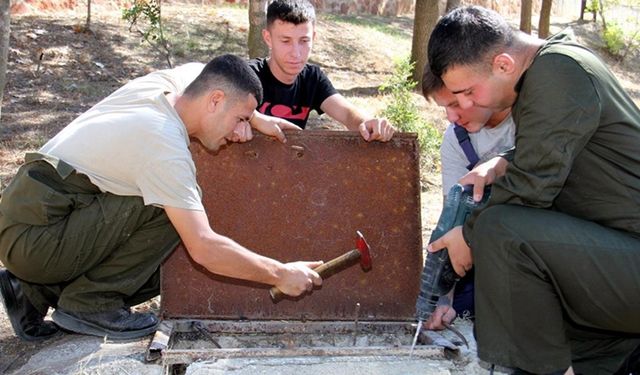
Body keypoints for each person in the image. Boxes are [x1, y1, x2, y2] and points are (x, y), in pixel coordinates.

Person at [0, 54, 323, 342]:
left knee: (160, 241)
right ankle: (90, 305)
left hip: (30, 218)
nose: (240, 132)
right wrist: (279, 273)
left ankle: (31, 289)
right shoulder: (164, 145)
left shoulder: (172, 86)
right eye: (239, 119)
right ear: (215, 100)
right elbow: (205, 248)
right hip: (37, 234)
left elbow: (207, 70)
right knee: (173, 209)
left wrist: (254, 115)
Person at [426, 6, 640, 374]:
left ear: (504, 64)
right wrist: (506, 159)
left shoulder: (559, 70)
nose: (462, 106)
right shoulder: (551, 68)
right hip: (618, 254)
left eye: (466, 92)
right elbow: (565, 144)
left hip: (629, 256)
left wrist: (469, 234)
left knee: (501, 229)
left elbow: (533, 187)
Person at [420, 64, 514, 327]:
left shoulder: (525, 120)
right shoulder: (455, 140)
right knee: (461, 312)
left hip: (528, 245)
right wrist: (442, 299)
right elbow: (452, 217)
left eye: (456, 104)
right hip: (480, 249)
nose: (451, 117)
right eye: (444, 108)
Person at [248, 0, 395, 142]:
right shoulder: (248, 75)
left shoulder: (313, 78)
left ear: (313, 38)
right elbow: (226, 105)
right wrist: (255, 119)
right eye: (286, 41)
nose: (296, 53)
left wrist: (368, 123)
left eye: (304, 41)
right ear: (268, 38)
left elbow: (347, 113)